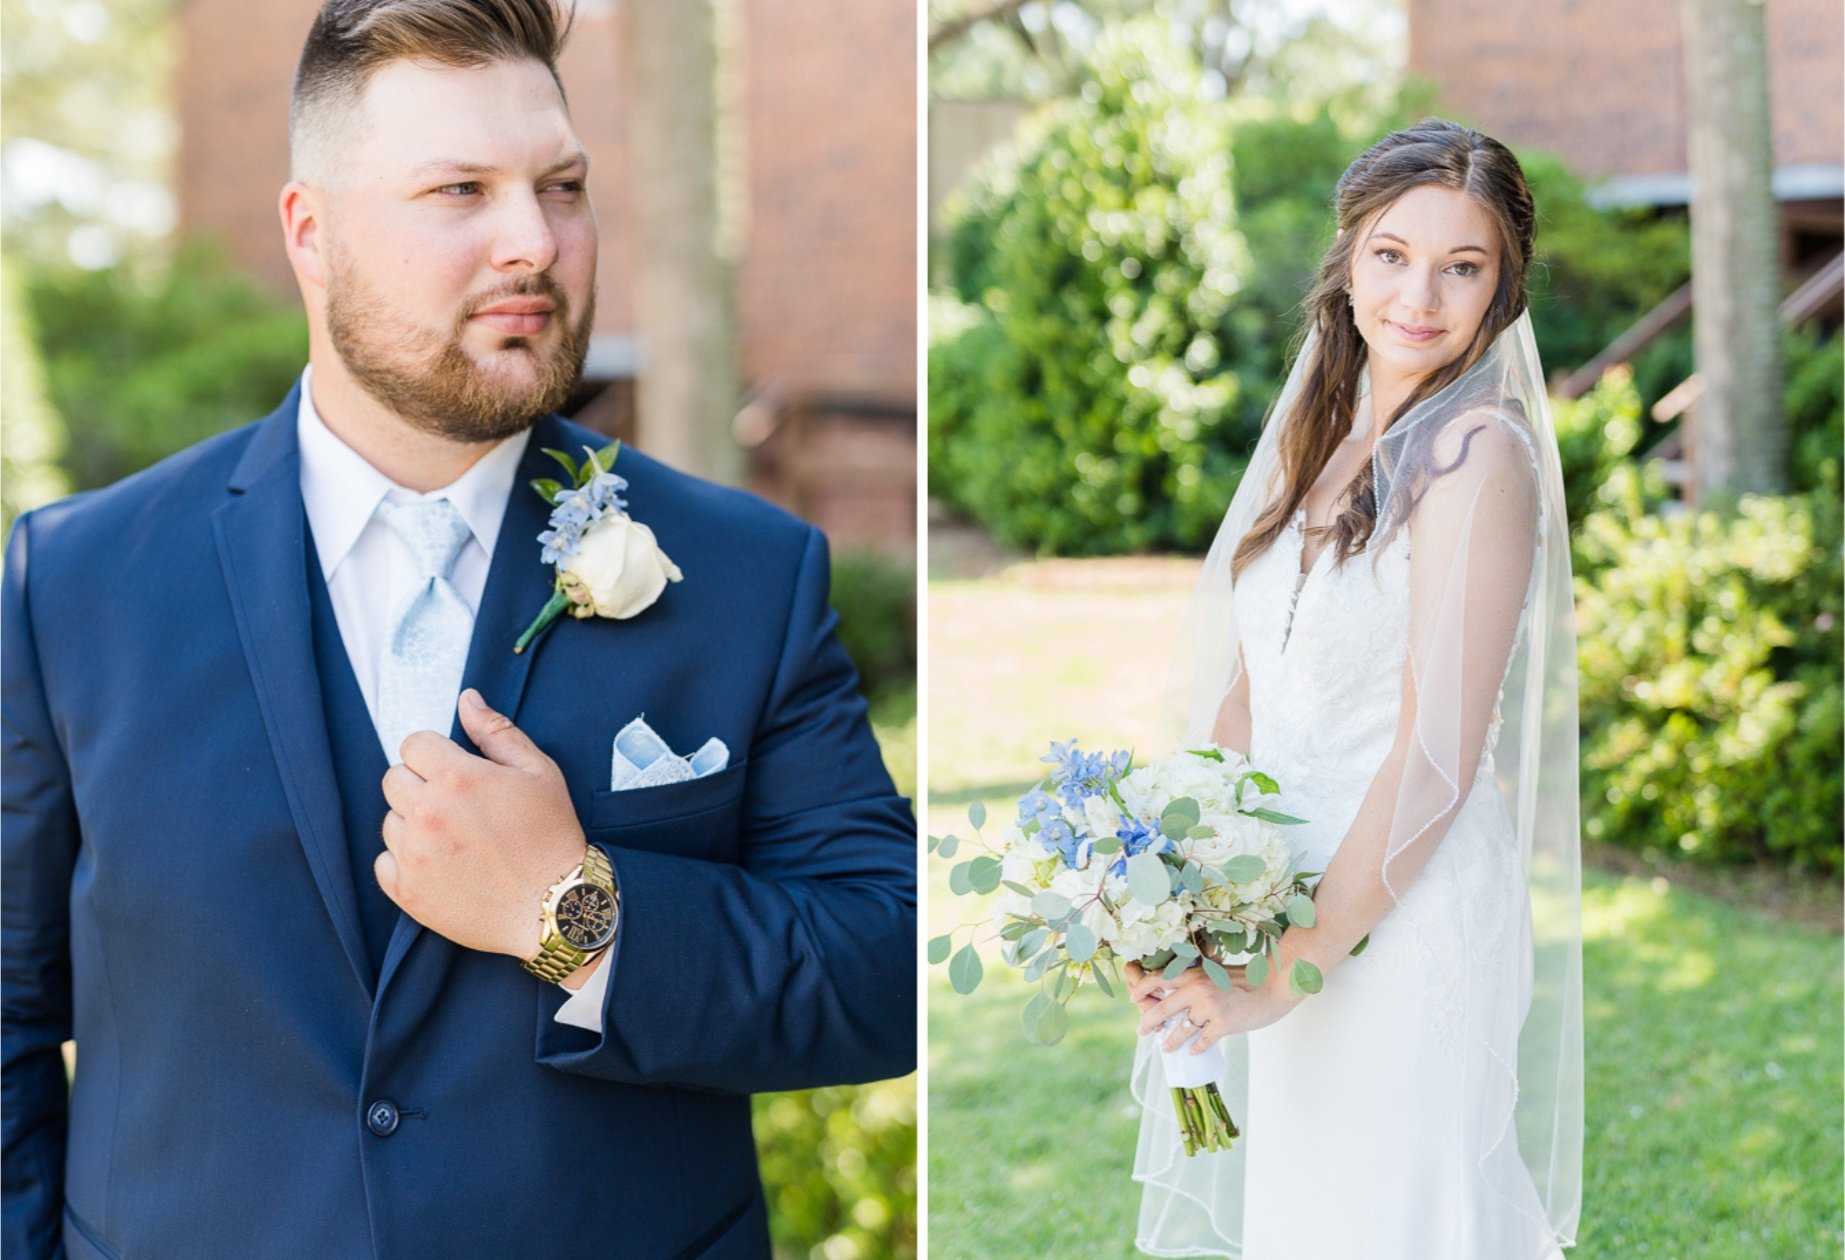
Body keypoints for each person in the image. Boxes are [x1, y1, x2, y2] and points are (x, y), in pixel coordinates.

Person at [0, 2, 915, 1257]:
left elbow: (886, 967)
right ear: (311, 235)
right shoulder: (77, 583)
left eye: (564, 186)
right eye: (459, 190)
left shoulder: (744, 574)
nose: (533, 242)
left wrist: (570, 903)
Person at [1123, 119, 1583, 1259]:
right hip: (1276, 892)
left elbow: (1436, 755)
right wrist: (1181, 895)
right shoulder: (1316, 440)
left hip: (1399, 910)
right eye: (1392, 253)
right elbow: (1246, 689)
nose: (1419, 294)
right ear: (1348, 259)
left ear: (1501, 291)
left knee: (1397, 1217)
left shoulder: (1479, 458)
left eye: (1460, 266)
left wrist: (1292, 968)